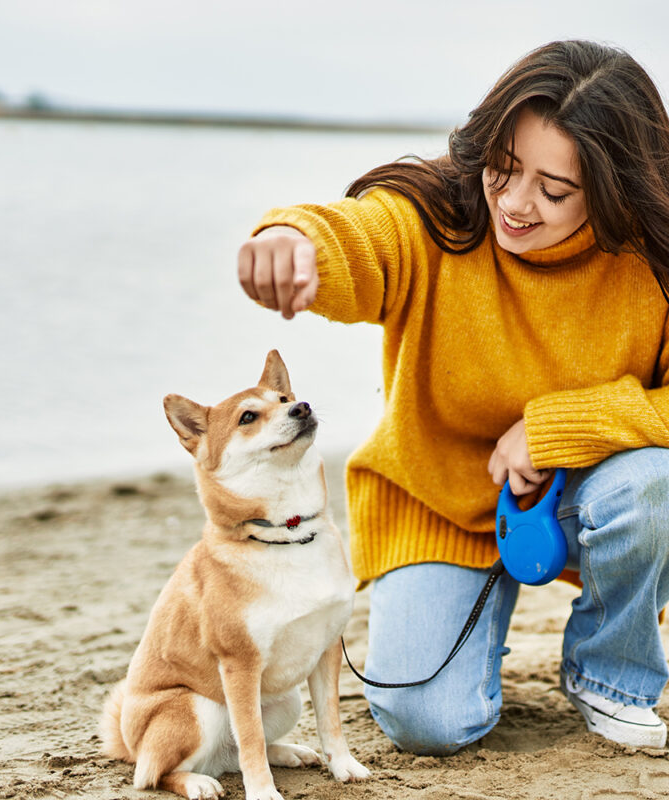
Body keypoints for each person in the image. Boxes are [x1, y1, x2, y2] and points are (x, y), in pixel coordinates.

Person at [236, 39, 669, 753]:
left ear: (613, 187)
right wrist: (295, 237)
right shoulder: (442, 214)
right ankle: (471, 627)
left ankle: (612, 673)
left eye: (555, 191)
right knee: (428, 725)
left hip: (590, 492)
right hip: (441, 502)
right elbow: (363, 236)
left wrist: (558, 427)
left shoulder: (652, 258)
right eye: (505, 167)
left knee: (653, 482)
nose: (517, 204)